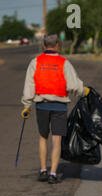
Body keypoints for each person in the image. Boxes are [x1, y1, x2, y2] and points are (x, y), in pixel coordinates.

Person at [21, 33, 90, 184]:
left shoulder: (35, 62)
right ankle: (53, 173)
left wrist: (27, 106)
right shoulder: (64, 63)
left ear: (43, 46)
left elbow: (29, 85)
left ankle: (43, 170)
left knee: (43, 137)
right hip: (59, 106)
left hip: (42, 105)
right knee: (57, 140)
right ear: (58, 46)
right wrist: (83, 91)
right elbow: (73, 85)